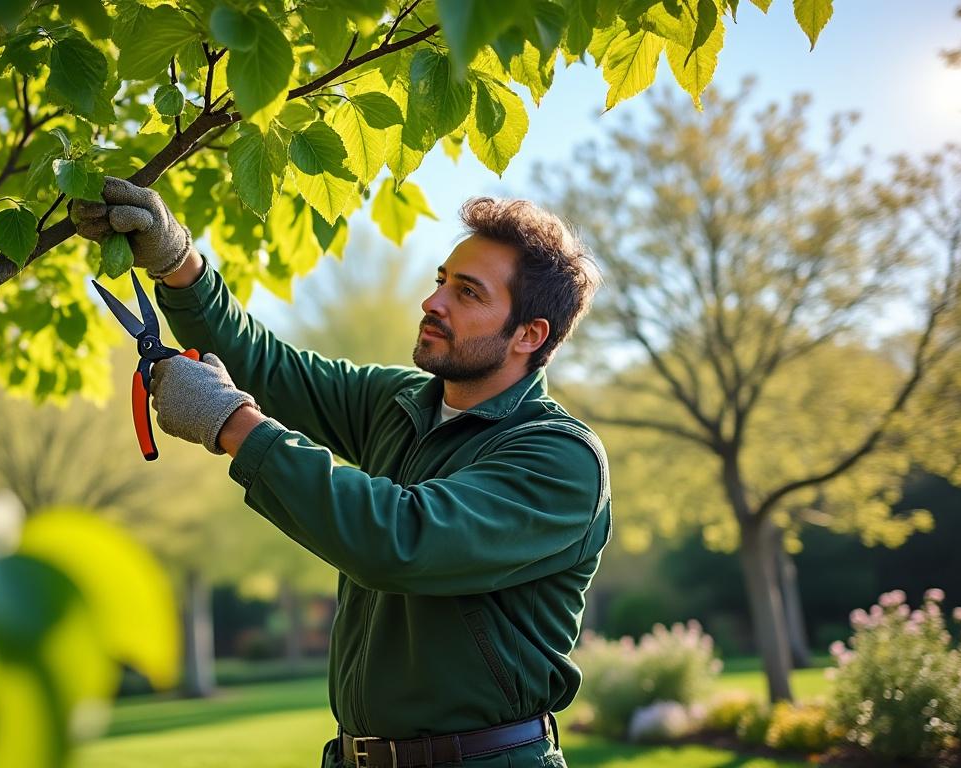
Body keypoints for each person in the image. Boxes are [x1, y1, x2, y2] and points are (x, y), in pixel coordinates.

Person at [73, 178, 610, 768]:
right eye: (440, 281)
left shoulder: (559, 459)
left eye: (468, 293)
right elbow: (267, 369)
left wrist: (234, 423)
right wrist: (181, 265)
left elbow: (401, 540)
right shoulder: (403, 402)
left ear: (529, 335)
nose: (433, 303)